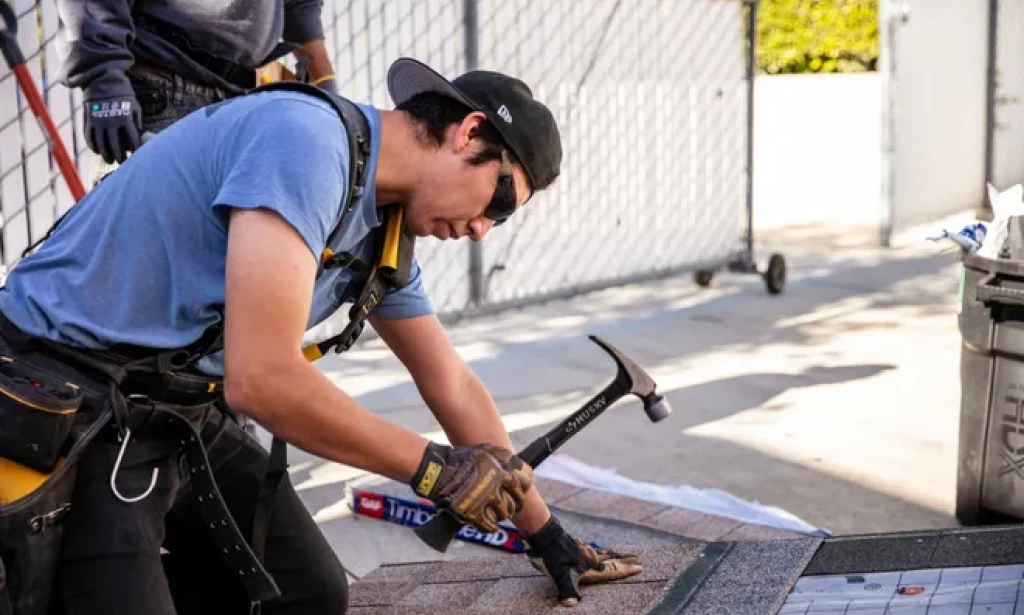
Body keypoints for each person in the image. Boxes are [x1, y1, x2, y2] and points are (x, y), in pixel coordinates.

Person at [0, 57, 642, 614]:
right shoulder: (304, 142)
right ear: (470, 131)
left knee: (304, 593)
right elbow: (262, 380)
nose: (483, 229)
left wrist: (545, 535)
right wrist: (432, 472)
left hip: (171, 404)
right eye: (499, 201)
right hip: (70, 390)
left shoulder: (381, 231)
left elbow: (449, 382)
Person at [55, 0, 339, 167]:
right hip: (162, 90)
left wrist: (323, 80)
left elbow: (299, 6)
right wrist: (104, 80)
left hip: (243, 98)